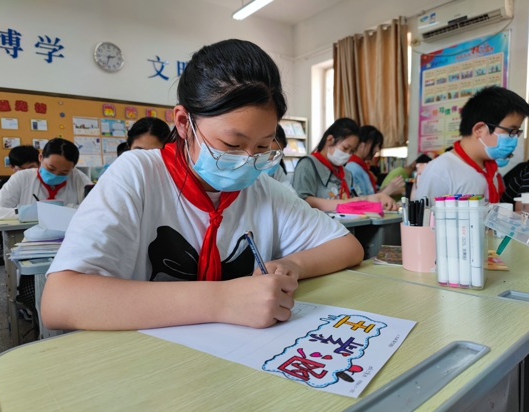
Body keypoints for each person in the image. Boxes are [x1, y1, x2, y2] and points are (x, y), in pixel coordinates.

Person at [41, 39, 364, 332]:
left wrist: (292, 264)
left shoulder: (265, 190)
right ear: (184, 123)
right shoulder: (138, 174)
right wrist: (222, 301)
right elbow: (60, 301)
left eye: (263, 147)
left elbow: (348, 247)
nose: (248, 160)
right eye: (232, 145)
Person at [415, 87, 529, 203]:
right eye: (511, 131)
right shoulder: (441, 170)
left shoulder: (491, 169)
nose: (514, 138)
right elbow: (423, 213)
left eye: (517, 132)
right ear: (479, 129)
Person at [292, 118, 397, 212]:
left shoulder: (346, 173)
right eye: (345, 148)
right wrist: (345, 204)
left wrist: (378, 198)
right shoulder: (308, 165)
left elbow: (359, 201)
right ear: (330, 140)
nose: (347, 154)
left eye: (352, 151)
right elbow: (303, 201)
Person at [0, 138, 92, 220]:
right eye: (51, 168)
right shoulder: (22, 177)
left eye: (64, 172)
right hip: (23, 239)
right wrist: (27, 212)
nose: (56, 174)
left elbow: (94, 209)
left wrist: (62, 210)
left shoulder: (77, 177)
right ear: (40, 157)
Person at [0, 145, 40, 215]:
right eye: (22, 169)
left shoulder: (44, 180)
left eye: (31, 168)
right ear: (12, 167)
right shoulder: (7, 182)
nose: (27, 173)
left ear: (39, 164)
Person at [346, 125, 404, 197]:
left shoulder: (360, 166)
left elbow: (370, 195)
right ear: (361, 145)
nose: (377, 150)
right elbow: (362, 201)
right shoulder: (353, 168)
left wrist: (387, 188)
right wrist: (389, 189)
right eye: (375, 145)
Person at [263, 124, 294, 192]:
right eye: (269, 152)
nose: (272, 158)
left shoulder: (277, 170)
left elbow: (290, 193)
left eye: (278, 154)